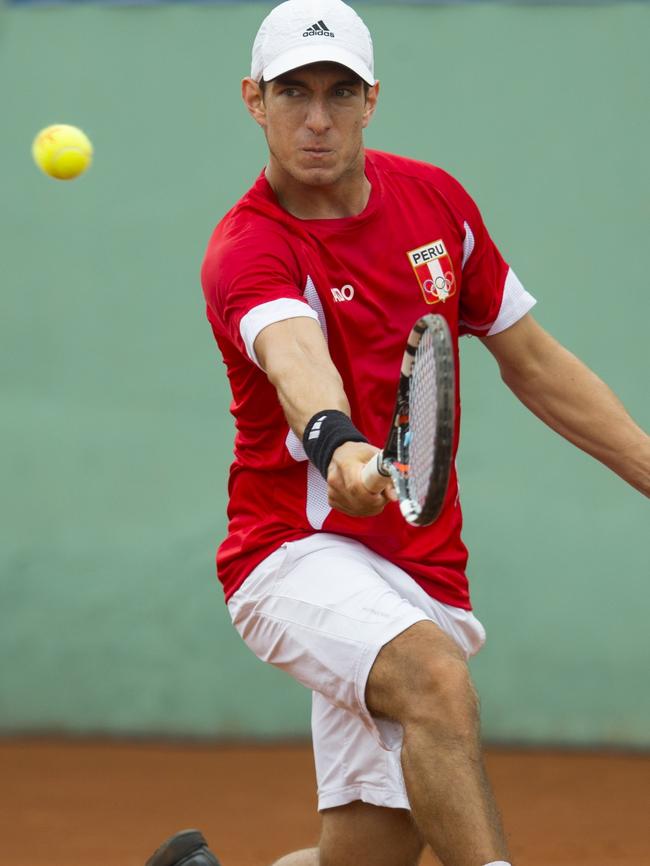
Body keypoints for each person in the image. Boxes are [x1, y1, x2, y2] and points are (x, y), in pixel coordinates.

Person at [146, 1, 650, 865]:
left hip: (424, 567)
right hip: (292, 552)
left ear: (372, 99)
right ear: (252, 100)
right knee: (434, 682)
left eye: (339, 92)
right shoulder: (248, 248)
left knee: (364, 860)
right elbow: (295, 357)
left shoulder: (436, 204)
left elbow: (532, 359)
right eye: (292, 92)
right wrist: (338, 443)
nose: (316, 118)